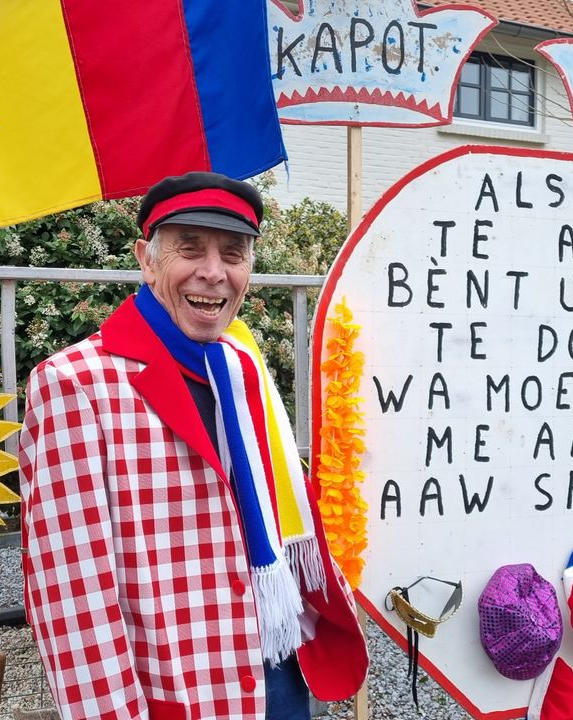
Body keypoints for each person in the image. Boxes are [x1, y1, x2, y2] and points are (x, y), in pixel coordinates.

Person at [20, 172, 368, 720]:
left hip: (276, 671)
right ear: (147, 258)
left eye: (234, 254)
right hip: (177, 691)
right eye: (189, 249)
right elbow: (74, 603)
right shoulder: (74, 383)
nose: (214, 272)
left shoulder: (241, 365)